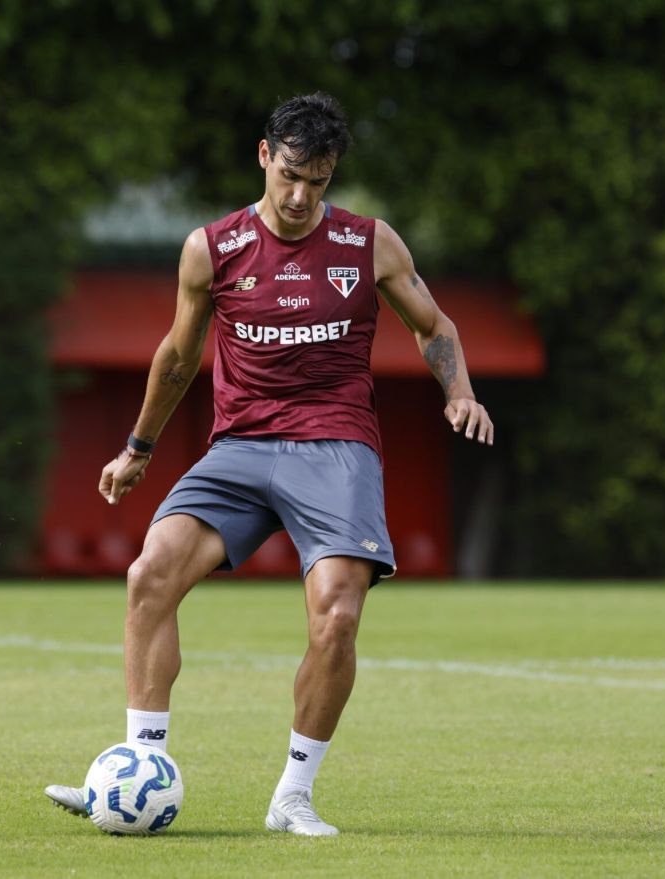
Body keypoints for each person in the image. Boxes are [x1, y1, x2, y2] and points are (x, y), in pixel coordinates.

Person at [45, 92, 493, 836]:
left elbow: (435, 326)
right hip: (241, 449)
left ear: (332, 174)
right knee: (149, 572)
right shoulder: (211, 248)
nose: (298, 195)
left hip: (336, 445)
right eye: (289, 174)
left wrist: (459, 391)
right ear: (264, 155)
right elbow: (180, 354)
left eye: (316, 181)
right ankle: (141, 765)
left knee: (338, 617)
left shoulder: (369, 243)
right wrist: (138, 447)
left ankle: (292, 795)